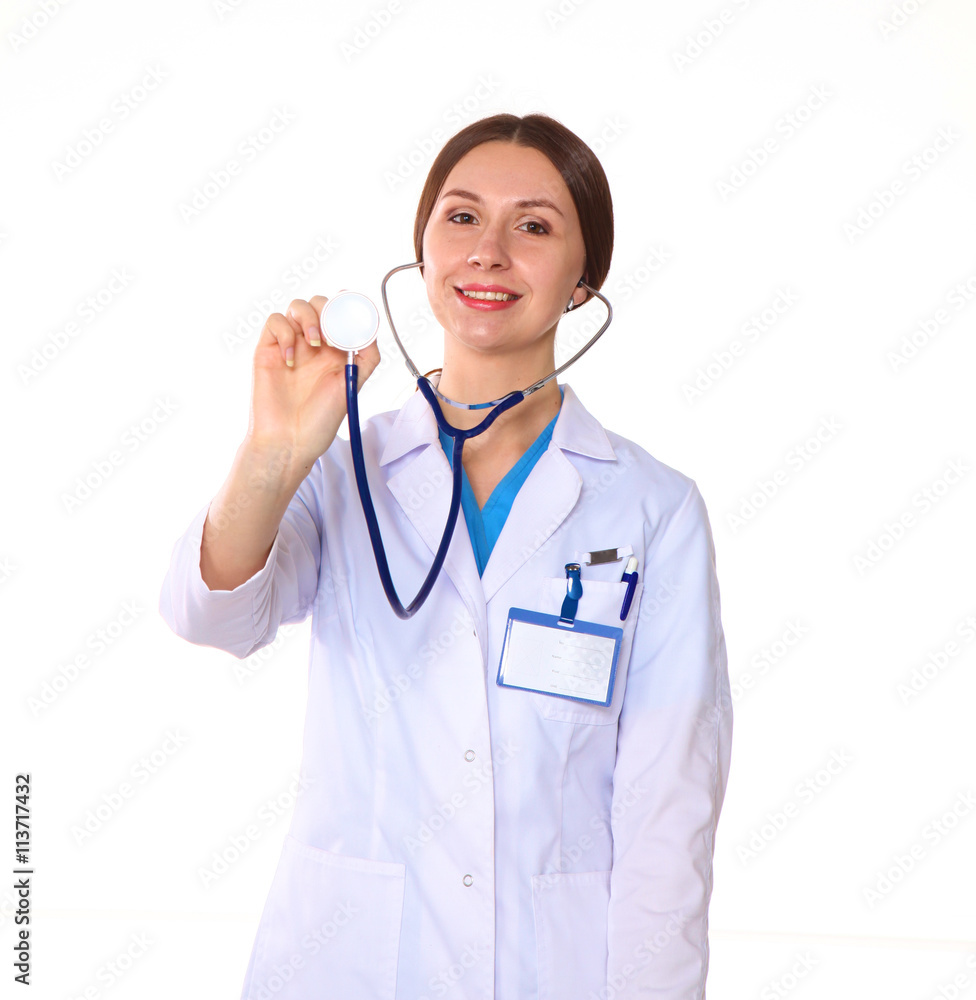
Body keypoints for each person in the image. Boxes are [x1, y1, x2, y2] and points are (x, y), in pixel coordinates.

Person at [159, 112, 732, 1000]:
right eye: (461, 218)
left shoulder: (653, 507)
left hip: (555, 971)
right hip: (347, 961)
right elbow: (215, 616)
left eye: (534, 226)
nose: (489, 251)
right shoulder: (344, 461)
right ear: (421, 253)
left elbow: (670, 808)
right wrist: (273, 451)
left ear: (585, 280)